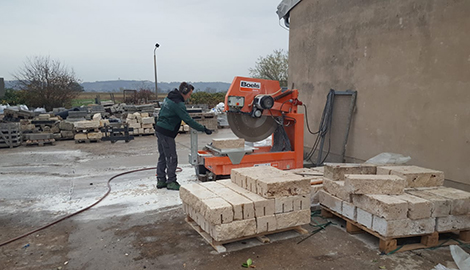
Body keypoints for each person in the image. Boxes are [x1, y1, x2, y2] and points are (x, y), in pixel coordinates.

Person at [155, 82, 213, 190]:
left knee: (163, 156)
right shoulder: (178, 104)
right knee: (172, 157)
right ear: (185, 92)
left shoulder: (169, 97)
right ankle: (171, 181)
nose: (189, 97)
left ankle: (161, 180)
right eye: (189, 94)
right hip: (167, 132)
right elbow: (188, 120)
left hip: (159, 129)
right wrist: (203, 129)